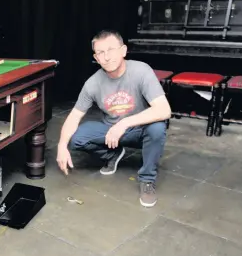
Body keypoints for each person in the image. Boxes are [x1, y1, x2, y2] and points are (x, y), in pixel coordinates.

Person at [56, 30, 171, 208]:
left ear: (123, 50)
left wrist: (124, 123)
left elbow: (164, 109)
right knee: (76, 138)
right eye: (101, 52)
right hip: (111, 132)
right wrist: (61, 147)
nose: (107, 57)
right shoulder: (92, 83)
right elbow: (74, 116)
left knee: (157, 127)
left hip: (140, 130)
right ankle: (113, 154)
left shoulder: (141, 71)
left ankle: (147, 180)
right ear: (96, 57)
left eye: (111, 49)